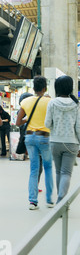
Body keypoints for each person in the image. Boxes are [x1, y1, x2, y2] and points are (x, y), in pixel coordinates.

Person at [16, 76, 53, 210]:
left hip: (30, 137)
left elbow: (18, 122)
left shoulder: (26, 101)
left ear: (33, 88)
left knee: (33, 169)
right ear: (45, 88)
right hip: (44, 137)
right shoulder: (49, 102)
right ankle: (49, 200)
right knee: (48, 167)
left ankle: (33, 201)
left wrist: (28, 121)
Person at [44, 75, 80, 203]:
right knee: (66, 173)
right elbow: (79, 127)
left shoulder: (52, 103)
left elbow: (47, 123)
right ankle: (61, 200)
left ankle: (61, 200)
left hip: (55, 142)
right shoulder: (76, 104)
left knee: (58, 172)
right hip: (72, 143)